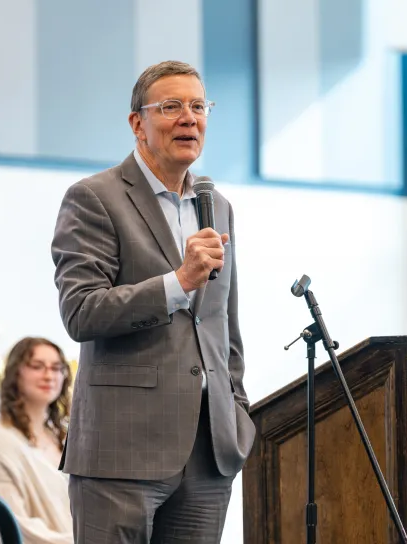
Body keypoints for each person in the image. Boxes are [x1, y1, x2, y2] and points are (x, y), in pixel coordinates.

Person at [50, 59, 255, 543]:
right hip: (122, 451)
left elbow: (225, 325)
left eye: (198, 106)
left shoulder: (216, 204)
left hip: (209, 453)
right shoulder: (94, 198)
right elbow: (81, 311)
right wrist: (178, 281)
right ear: (137, 124)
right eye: (171, 107)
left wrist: (235, 409)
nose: (189, 118)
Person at [0, 336, 74, 544]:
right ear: (16, 373)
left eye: (56, 368)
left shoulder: (62, 436)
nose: (49, 376)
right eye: (37, 366)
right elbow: (14, 528)